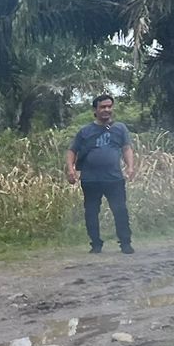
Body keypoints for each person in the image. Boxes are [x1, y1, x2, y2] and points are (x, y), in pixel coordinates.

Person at [66, 94, 137, 254]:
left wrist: (130, 167)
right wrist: (70, 169)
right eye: (102, 107)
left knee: (120, 210)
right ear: (95, 110)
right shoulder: (85, 131)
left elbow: (127, 148)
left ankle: (125, 243)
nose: (106, 110)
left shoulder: (120, 129)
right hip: (90, 179)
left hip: (114, 178)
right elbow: (72, 150)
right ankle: (96, 244)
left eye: (109, 106)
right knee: (91, 212)